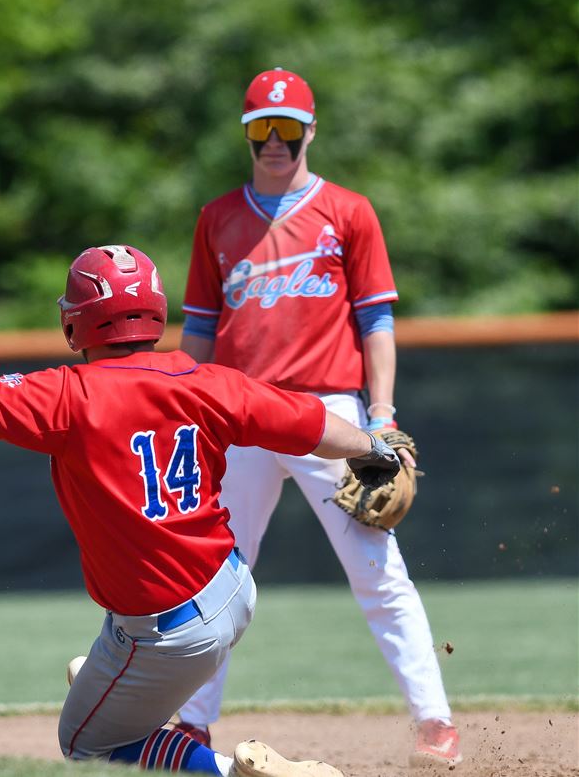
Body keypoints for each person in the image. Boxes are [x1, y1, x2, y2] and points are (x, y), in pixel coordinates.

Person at [0, 248, 400, 776]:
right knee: (107, 671)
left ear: (73, 322)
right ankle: (117, 686)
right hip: (232, 586)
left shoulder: (70, 394)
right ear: (156, 312)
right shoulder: (209, 382)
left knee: (86, 744)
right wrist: (372, 448)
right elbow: (310, 423)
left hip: (166, 630)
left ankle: (223, 769)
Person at [175, 67, 460, 767]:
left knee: (375, 568)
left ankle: (435, 721)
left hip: (325, 410)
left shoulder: (348, 211)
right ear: (247, 135)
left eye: (288, 127)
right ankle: (188, 722)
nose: (275, 141)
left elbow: (376, 322)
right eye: (261, 129)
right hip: (237, 411)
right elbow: (199, 335)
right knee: (213, 575)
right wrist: (184, 410)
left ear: (311, 129)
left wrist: (383, 416)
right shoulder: (217, 219)